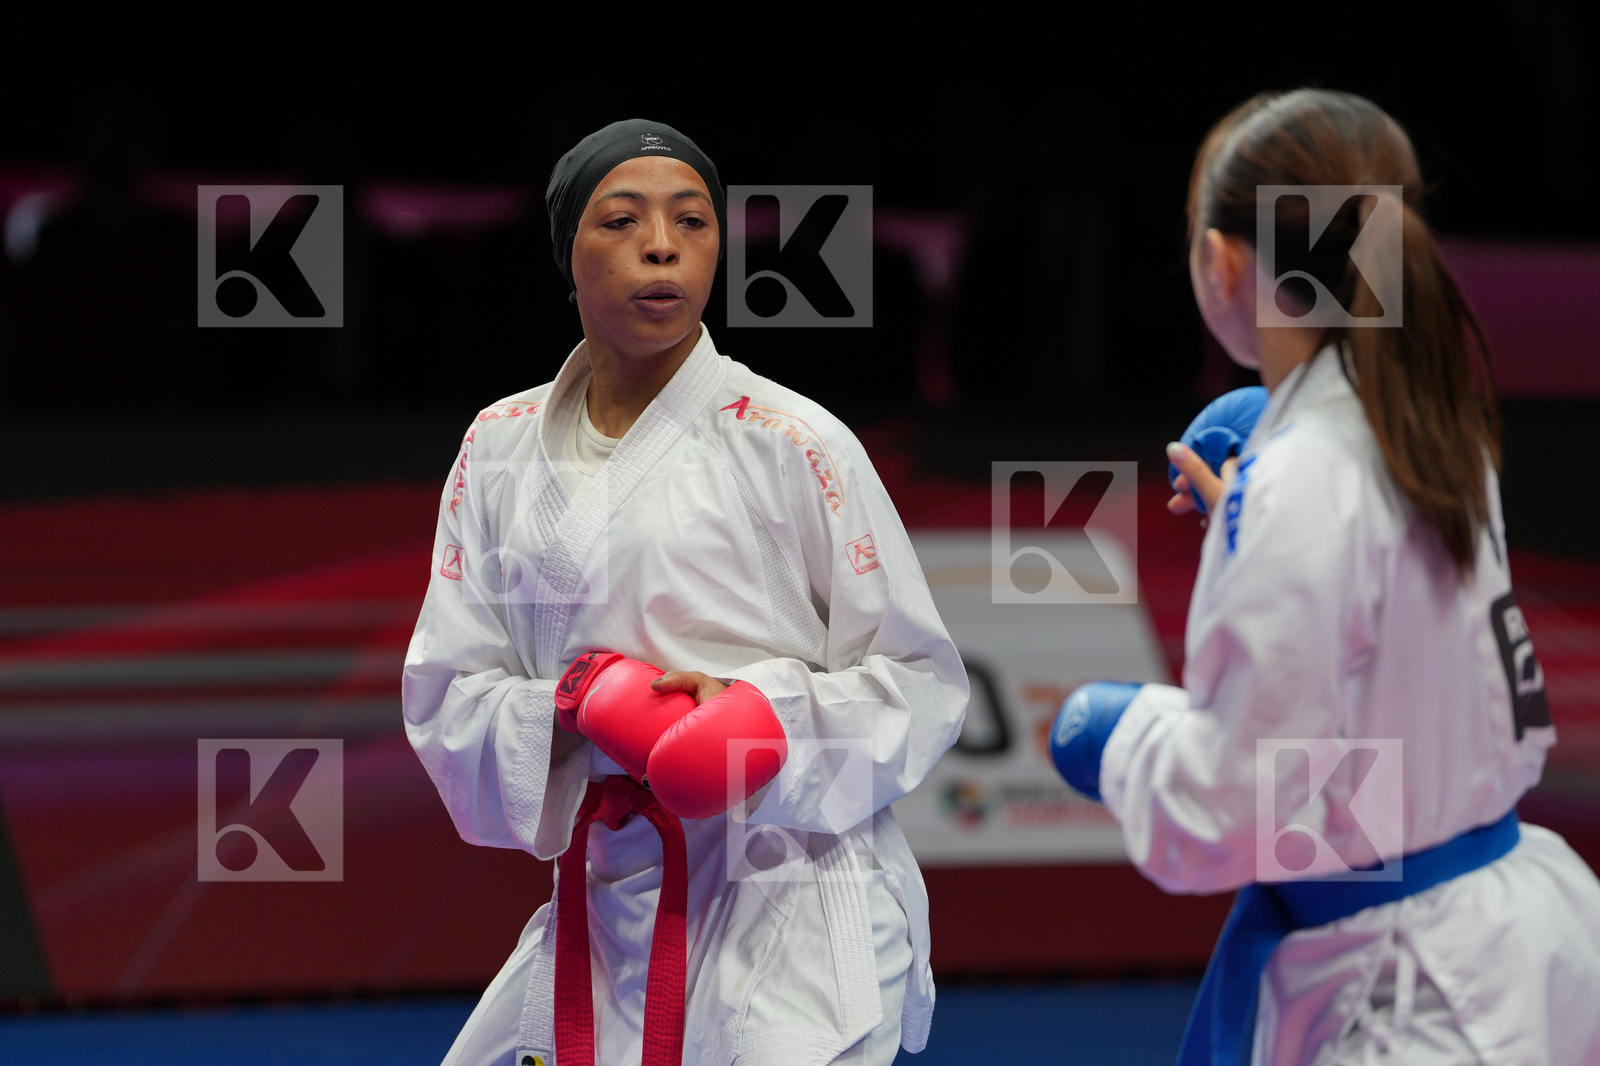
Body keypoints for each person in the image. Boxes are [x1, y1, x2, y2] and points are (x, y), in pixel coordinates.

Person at [1049, 90, 1600, 1065]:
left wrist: (1125, 734)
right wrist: (1250, 532)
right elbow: (1392, 651)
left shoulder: (1307, 477)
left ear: (1221, 260)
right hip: (1504, 936)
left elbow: (1224, 809)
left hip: (1417, 994)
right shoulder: (1424, 418)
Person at [402, 119, 967, 1066]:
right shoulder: (496, 447)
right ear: (568, 254)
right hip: (608, 890)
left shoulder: (793, 441)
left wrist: (758, 722)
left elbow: (919, 680)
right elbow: (446, 696)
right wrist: (578, 706)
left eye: (692, 221)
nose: (661, 244)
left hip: (787, 893)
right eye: (621, 220)